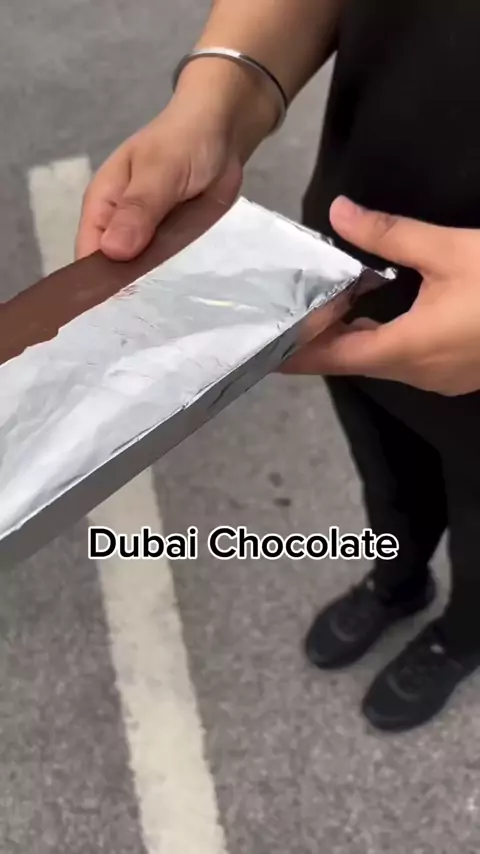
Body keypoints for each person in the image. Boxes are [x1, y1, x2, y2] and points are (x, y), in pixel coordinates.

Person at [76, 1, 480, 733]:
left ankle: (464, 635)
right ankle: (398, 580)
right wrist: (216, 98)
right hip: (350, 261)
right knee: (385, 468)